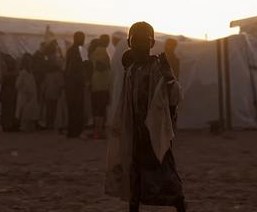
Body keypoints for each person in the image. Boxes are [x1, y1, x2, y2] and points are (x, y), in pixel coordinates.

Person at [106, 22, 186, 212]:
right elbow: (126, 102)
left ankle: (180, 205)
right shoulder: (131, 71)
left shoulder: (158, 68)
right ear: (129, 43)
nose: (140, 46)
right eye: (136, 41)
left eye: (144, 41)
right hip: (136, 133)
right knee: (134, 178)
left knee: (166, 175)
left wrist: (169, 78)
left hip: (154, 133)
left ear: (151, 44)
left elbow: (174, 97)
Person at [65, 31, 88, 138]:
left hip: (70, 82)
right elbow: (86, 64)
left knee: (72, 107)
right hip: (77, 82)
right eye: (82, 38)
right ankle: (78, 131)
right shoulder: (81, 50)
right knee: (78, 108)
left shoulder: (70, 50)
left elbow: (67, 67)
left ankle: (71, 131)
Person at [90, 34, 112, 139]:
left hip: (96, 84)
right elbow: (99, 65)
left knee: (97, 109)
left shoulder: (96, 50)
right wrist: (108, 66)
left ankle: (96, 132)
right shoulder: (102, 50)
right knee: (101, 109)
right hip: (102, 84)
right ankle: (98, 132)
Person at [15, 56, 39, 132]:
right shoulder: (23, 73)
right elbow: (17, 85)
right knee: (25, 111)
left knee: (31, 112)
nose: (31, 63)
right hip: (25, 96)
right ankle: (24, 126)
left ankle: (30, 126)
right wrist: (25, 91)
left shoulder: (30, 73)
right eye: (29, 62)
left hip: (32, 95)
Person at [0, 59, 20, 132]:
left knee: (6, 111)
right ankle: (13, 125)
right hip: (13, 93)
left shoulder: (6, 75)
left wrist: (0, 94)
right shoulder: (16, 75)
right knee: (12, 110)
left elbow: (3, 86)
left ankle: (6, 125)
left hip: (6, 93)